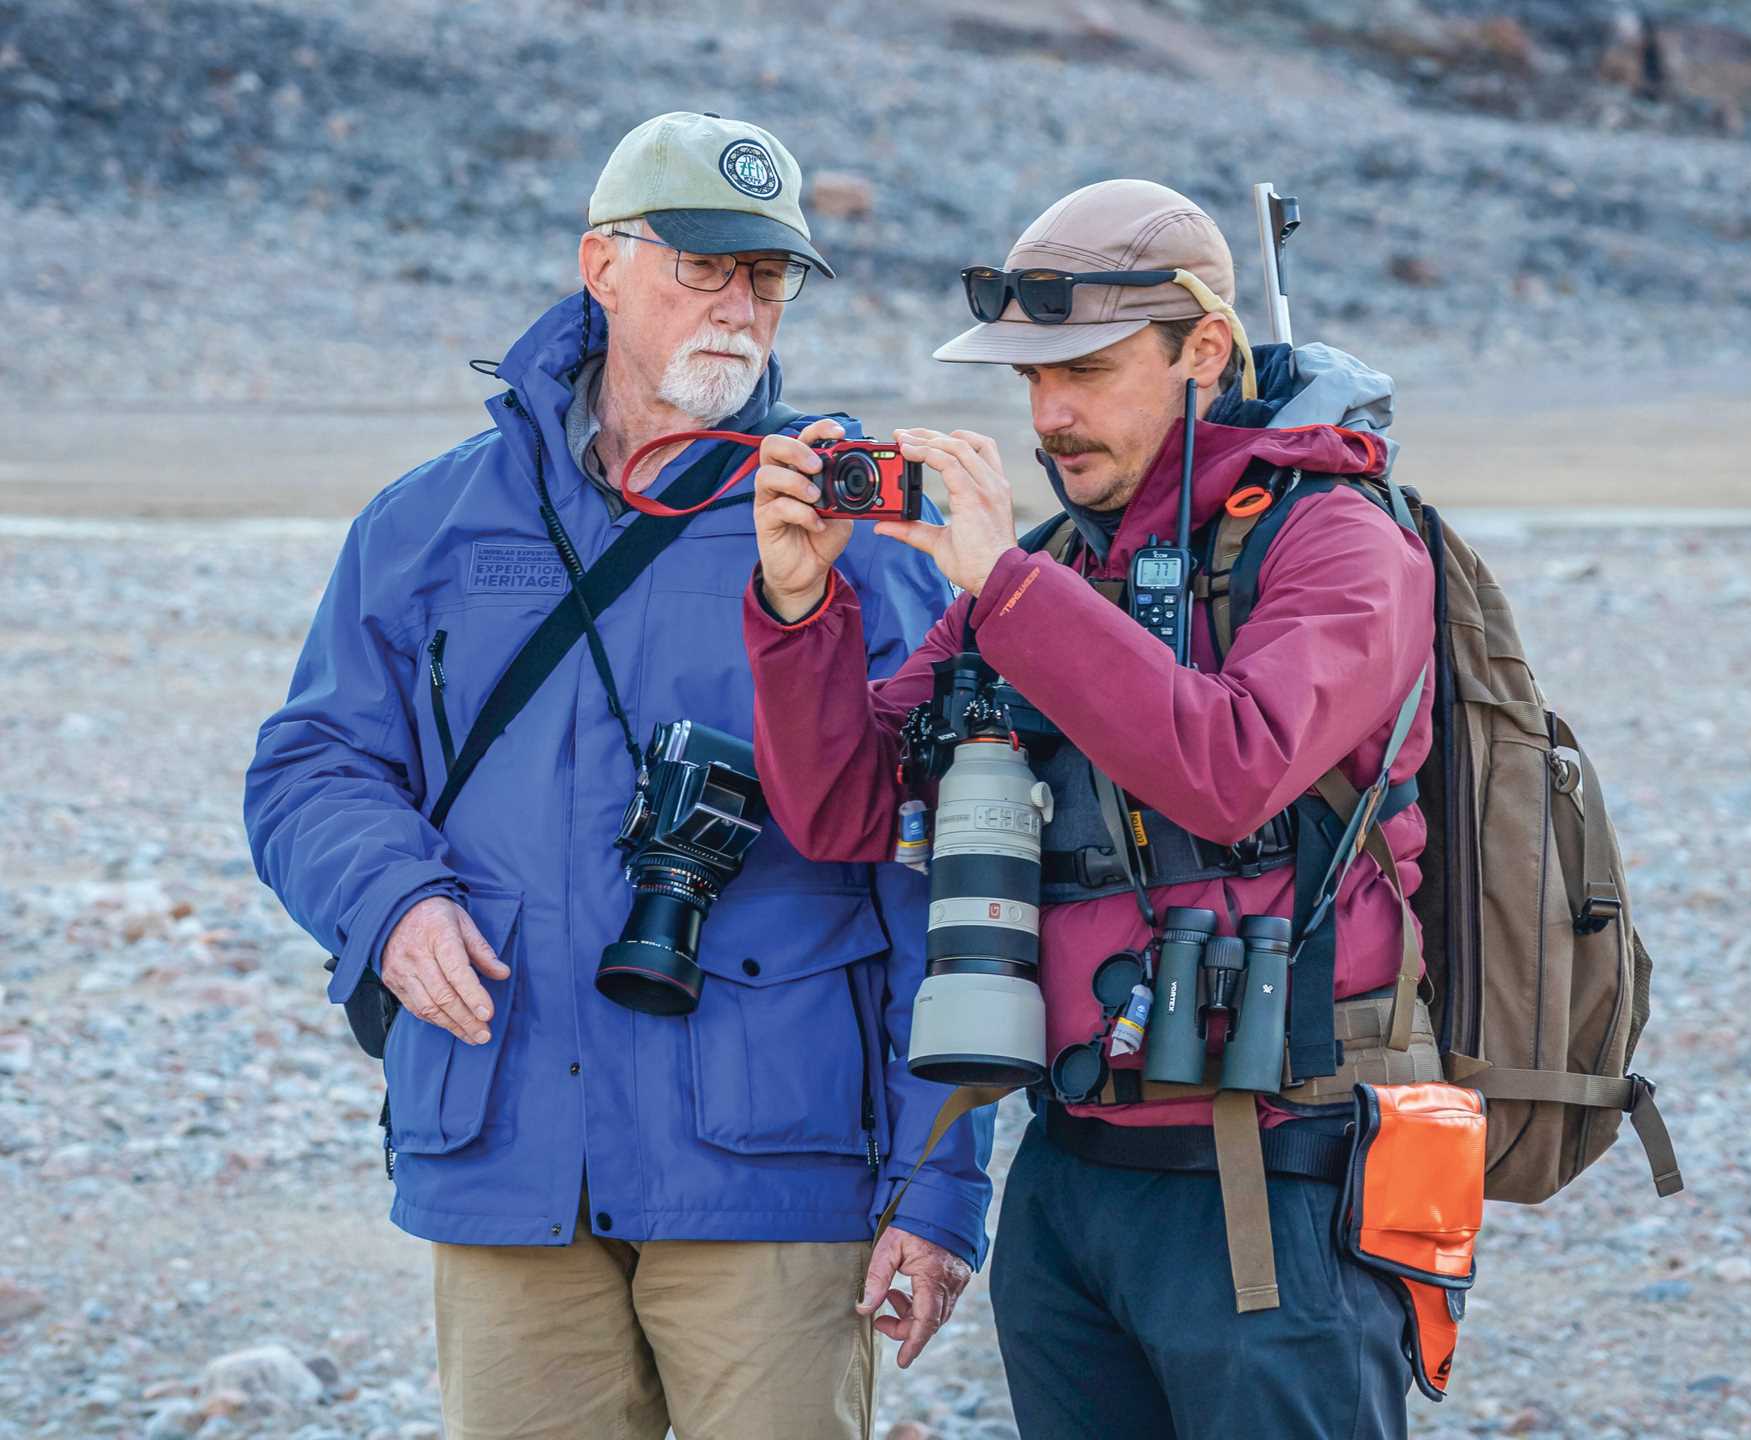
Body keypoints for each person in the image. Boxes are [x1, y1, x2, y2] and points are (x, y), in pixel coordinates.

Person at [244, 111, 989, 1440]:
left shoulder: (851, 535)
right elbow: (312, 765)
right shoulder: (432, 522)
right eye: (702, 266)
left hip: (776, 1170)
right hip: (507, 1140)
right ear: (601, 265)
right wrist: (394, 900)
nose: (739, 304)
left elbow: (944, 869)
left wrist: (938, 1186)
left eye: (764, 276)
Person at [746, 178, 1435, 1439]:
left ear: (1204, 352)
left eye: (1091, 371)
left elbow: (1233, 766)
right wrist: (799, 612)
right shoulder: (1057, 572)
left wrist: (1003, 590)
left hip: (1270, 1175)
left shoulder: (1337, 542)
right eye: (1029, 383)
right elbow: (847, 809)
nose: (1051, 417)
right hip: (1069, 1181)